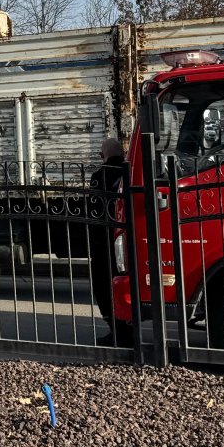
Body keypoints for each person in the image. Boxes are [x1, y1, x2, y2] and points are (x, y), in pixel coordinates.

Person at [89, 138, 129, 346]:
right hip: (126, 237)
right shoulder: (129, 173)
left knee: (104, 285)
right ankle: (130, 328)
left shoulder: (99, 176)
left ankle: (117, 331)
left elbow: (93, 211)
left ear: (101, 156)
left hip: (103, 240)